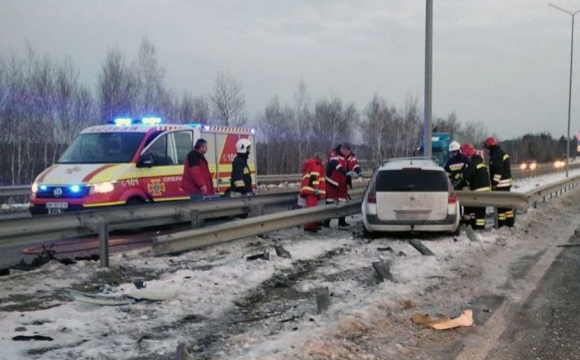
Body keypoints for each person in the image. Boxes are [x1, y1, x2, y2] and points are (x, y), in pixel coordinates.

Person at [323, 143, 363, 227]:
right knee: (330, 202)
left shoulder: (351, 157)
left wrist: (359, 172)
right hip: (332, 182)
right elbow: (337, 165)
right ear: (341, 148)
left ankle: (341, 221)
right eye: (344, 149)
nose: (346, 151)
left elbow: (355, 165)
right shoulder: (334, 154)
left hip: (343, 184)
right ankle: (327, 222)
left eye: (348, 149)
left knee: (342, 202)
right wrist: (345, 173)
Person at [455, 143, 491, 230]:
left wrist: (458, 179)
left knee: (477, 212)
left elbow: (466, 176)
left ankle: (477, 228)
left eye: (464, 154)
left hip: (478, 190)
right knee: (478, 212)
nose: (463, 156)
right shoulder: (477, 160)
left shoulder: (473, 163)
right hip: (482, 190)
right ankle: (477, 227)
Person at [484, 137, 514, 227]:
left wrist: (494, 184)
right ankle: (509, 223)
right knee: (507, 207)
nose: (487, 150)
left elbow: (498, 171)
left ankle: (501, 225)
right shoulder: (502, 153)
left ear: (490, 147)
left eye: (487, 148)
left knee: (501, 208)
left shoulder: (495, 157)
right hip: (507, 184)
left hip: (501, 186)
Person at [300, 153, 326, 232]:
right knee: (312, 209)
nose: (325, 162)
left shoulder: (312, 164)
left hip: (309, 190)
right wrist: (316, 188)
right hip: (311, 190)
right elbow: (314, 177)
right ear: (320, 159)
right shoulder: (316, 165)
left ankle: (311, 224)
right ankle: (309, 226)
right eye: (324, 160)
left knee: (311, 207)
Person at [444, 141, 468, 224]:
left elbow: (467, 171)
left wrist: (460, 176)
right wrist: (450, 179)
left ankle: (466, 218)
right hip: (455, 185)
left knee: (466, 202)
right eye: (452, 153)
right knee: (457, 204)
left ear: (459, 151)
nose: (454, 154)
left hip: (464, 184)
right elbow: (446, 172)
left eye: (455, 152)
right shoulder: (449, 162)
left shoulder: (464, 159)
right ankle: (460, 217)